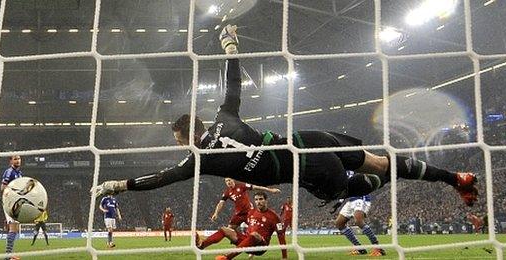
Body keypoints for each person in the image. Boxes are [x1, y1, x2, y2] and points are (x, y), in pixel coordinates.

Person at [92, 24, 478, 214]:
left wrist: (117, 184)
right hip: (309, 138)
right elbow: (233, 85)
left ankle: (401, 176)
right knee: (380, 158)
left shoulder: (196, 159)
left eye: (178, 141)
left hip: (306, 167)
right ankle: (454, 178)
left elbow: (160, 180)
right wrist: (230, 46)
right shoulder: (225, 116)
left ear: (182, 137)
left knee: (354, 187)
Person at [196, 192, 287, 260]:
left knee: (254, 234)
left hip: (261, 246)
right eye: (256, 199)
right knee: (225, 229)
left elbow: (281, 236)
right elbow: (250, 227)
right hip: (247, 242)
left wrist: (284, 257)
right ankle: (201, 245)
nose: (258, 202)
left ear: (266, 200)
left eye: (261, 199)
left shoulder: (274, 217)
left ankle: (227, 257)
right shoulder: (251, 212)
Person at [334, 171, 384, 256]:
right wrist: (340, 201)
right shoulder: (341, 171)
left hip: (361, 197)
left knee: (359, 221)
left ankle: (378, 248)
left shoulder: (354, 166)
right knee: (339, 223)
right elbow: (346, 188)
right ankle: (359, 248)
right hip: (350, 200)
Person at [211, 178, 281, 230]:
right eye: (226, 181)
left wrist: (270, 190)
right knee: (229, 230)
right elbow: (221, 203)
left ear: (233, 180)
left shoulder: (241, 186)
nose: (228, 182)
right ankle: (239, 242)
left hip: (249, 212)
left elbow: (256, 187)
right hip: (238, 214)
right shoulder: (227, 192)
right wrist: (216, 213)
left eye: (229, 180)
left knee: (255, 229)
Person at [1, 155, 23, 260]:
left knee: (15, 229)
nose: (17, 160)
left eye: (19, 159)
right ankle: (8, 256)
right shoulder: (9, 172)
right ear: (10, 161)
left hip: (16, 203)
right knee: (13, 228)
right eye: (15, 159)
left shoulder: (19, 173)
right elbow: (3, 187)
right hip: (10, 202)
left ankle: (9, 254)